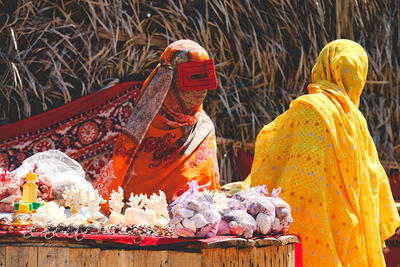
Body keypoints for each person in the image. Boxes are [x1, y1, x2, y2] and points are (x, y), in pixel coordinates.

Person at [243, 39, 400, 266]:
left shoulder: (309, 109)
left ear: (323, 66)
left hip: (304, 226)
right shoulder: (356, 121)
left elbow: (275, 149)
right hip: (348, 229)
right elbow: (373, 180)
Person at [94, 40, 220, 205]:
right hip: (135, 218)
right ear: (168, 81)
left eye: (204, 82)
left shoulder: (204, 129)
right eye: (192, 81)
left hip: (194, 221)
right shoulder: (141, 124)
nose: (201, 91)